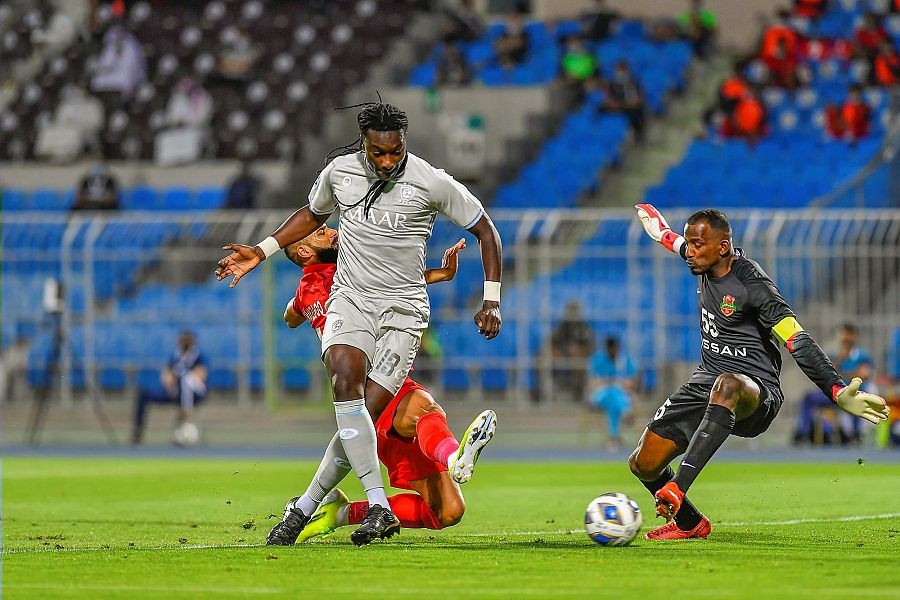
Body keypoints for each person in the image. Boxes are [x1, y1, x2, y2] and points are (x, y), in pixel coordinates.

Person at [215, 100, 503, 546]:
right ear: (364, 146)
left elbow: (486, 230)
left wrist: (491, 300)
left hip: (403, 312)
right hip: (352, 301)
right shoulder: (339, 173)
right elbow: (311, 216)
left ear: (403, 143)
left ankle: (307, 506)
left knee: (365, 415)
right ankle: (380, 505)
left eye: (395, 151)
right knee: (345, 383)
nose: (388, 161)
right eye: (378, 153)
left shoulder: (431, 181)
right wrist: (262, 249)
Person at [629, 204, 889, 540]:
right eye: (688, 244)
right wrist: (659, 230)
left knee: (727, 384)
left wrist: (836, 390)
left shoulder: (753, 286)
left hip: (757, 393)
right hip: (706, 381)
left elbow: (797, 340)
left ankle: (677, 488)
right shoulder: (704, 260)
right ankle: (691, 524)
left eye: (696, 245)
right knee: (643, 463)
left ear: (723, 247)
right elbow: (672, 241)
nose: (688, 251)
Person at [274, 227, 495, 543]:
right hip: (376, 379)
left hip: (363, 388)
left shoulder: (309, 287)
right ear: (306, 252)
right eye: (321, 233)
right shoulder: (347, 272)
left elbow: (290, 316)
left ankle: (339, 512)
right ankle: (453, 458)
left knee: (447, 511)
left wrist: (298, 311)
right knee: (424, 408)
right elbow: (395, 282)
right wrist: (441, 275)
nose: (333, 231)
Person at [131, 330, 207, 446]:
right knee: (144, 393)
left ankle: (185, 417)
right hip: (174, 391)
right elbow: (168, 373)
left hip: (193, 392)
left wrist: (185, 376)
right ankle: (138, 430)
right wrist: (170, 380)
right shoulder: (176, 354)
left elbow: (201, 375)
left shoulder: (198, 355)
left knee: (185, 380)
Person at [589, 335, 637, 448]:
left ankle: (614, 437)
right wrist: (608, 383)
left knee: (613, 401)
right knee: (611, 393)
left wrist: (620, 383)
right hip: (601, 395)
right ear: (607, 349)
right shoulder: (598, 360)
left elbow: (631, 383)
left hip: (621, 394)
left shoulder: (625, 361)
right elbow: (593, 383)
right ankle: (626, 411)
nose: (613, 352)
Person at [549, 300, 596, 403]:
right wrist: (554, 350)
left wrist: (579, 352)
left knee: (580, 365)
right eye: (570, 310)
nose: (572, 313)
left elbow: (590, 349)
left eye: (574, 311)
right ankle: (544, 394)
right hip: (563, 356)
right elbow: (553, 341)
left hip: (579, 359)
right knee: (542, 360)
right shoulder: (563, 326)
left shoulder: (585, 328)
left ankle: (578, 395)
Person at [602, 61, 646, 143]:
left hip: (631, 107)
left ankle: (637, 136)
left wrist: (635, 102)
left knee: (638, 113)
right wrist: (612, 103)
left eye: (622, 71)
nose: (620, 73)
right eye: (618, 71)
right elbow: (607, 98)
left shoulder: (634, 82)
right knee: (601, 109)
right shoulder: (611, 83)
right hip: (616, 107)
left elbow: (640, 98)